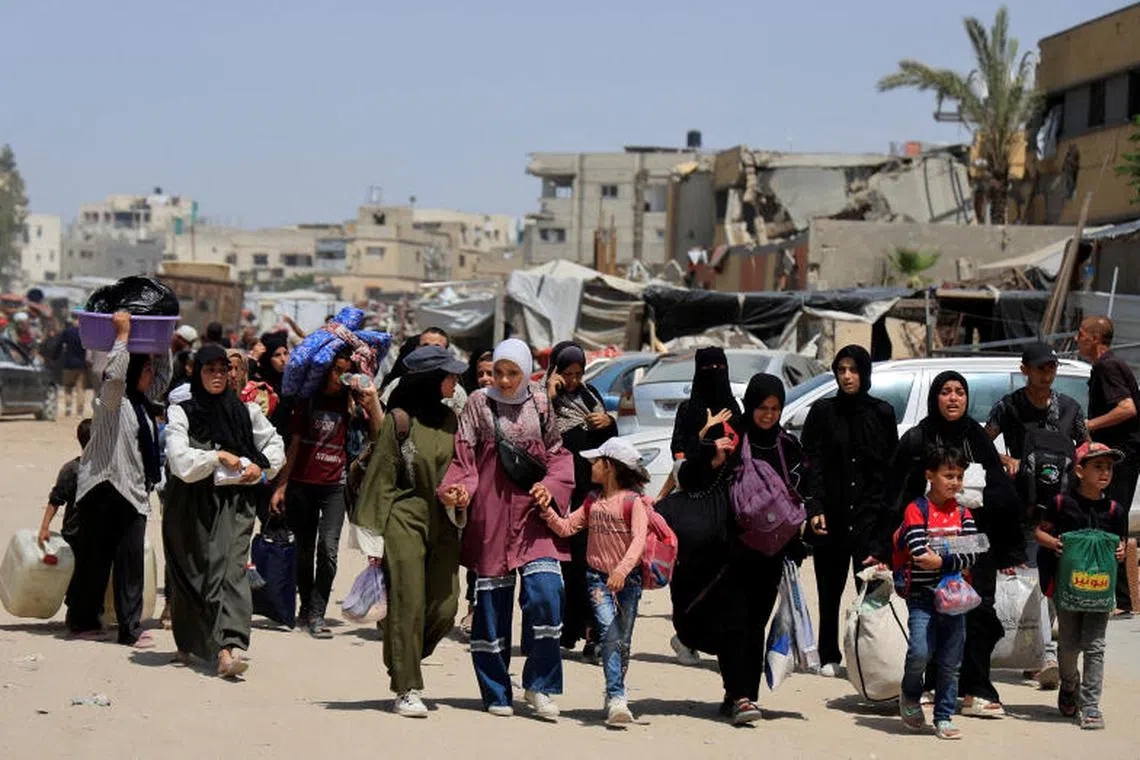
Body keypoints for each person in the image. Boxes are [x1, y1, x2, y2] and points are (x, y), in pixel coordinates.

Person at [438, 338, 575, 718]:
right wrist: (460, 491)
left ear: (527, 371)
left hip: (534, 515)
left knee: (547, 595)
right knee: (491, 608)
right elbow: (464, 459)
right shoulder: (478, 403)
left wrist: (551, 487)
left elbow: (558, 454)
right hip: (493, 514)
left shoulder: (541, 402)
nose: (503, 380)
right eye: (498, 372)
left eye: (512, 372)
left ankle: (540, 686)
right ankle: (496, 690)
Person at [891, 371, 1024, 718]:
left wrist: (1009, 549)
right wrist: (882, 549)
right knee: (933, 615)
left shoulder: (977, 438)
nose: (953, 398)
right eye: (946, 391)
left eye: (960, 392)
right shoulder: (917, 438)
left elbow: (1001, 493)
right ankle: (930, 686)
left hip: (974, 545)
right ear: (935, 396)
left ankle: (975, 690)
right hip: (927, 545)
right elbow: (895, 494)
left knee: (978, 613)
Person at [353, 346, 468, 717]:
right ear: (431, 379)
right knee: (407, 602)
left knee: (446, 606)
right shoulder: (399, 420)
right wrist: (373, 544)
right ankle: (406, 687)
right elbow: (381, 480)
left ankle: (405, 656)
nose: (456, 380)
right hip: (404, 517)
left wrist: (461, 495)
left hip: (444, 520)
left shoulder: (453, 420)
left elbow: (465, 468)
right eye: (449, 375)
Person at [163, 345, 285, 677]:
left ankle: (228, 648)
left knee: (230, 570)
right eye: (210, 370)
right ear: (197, 373)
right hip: (190, 503)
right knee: (193, 574)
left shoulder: (246, 412)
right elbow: (180, 461)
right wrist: (215, 457)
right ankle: (191, 641)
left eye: (223, 369)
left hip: (235, 502)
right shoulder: (182, 413)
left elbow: (274, 445)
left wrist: (260, 467)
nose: (218, 376)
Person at [985, 341, 1088, 689]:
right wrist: (1006, 460)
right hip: (1025, 509)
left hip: (1064, 509)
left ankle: (1039, 652)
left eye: (1052, 367)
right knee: (1032, 578)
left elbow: (1086, 447)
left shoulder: (1070, 408)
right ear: (1024, 370)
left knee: (1054, 581)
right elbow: (983, 443)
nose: (1047, 374)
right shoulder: (1009, 407)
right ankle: (1045, 655)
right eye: (1041, 368)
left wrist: (1081, 471)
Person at [65, 312, 170, 647]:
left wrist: (161, 341)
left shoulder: (143, 405)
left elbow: (162, 377)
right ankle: (83, 621)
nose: (151, 374)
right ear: (134, 371)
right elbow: (114, 374)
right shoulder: (113, 400)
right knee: (94, 561)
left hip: (132, 491)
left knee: (130, 563)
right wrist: (122, 337)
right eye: (146, 368)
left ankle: (129, 628)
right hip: (104, 488)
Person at [270, 346, 383, 638]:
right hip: (302, 485)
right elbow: (294, 446)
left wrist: (370, 404)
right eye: (336, 370)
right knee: (304, 551)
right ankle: (306, 606)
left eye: (345, 372)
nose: (339, 377)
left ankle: (318, 612)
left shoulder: (353, 405)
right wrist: (282, 485)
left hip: (336, 486)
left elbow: (378, 435)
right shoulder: (308, 401)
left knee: (328, 551)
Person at [536, 438, 650, 727]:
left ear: (610, 466)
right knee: (609, 635)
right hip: (598, 580)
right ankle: (618, 698)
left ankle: (614, 692)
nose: (591, 466)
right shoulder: (592, 501)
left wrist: (622, 571)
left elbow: (638, 542)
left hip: (628, 582)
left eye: (596, 461)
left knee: (623, 641)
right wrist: (547, 510)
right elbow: (566, 527)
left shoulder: (633, 502)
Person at [802, 345, 898, 677]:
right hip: (831, 515)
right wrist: (814, 505)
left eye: (853, 370)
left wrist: (887, 521)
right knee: (829, 591)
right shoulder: (822, 412)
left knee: (870, 594)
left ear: (865, 373)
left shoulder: (882, 413)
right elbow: (810, 463)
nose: (847, 376)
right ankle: (828, 653)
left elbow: (890, 470)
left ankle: (868, 657)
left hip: (869, 519)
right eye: (841, 370)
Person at [1035, 441, 1128, 730]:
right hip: (1068, 589)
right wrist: (1054, 543)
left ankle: (1090, 706)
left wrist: (1121, 551)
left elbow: (1122, 543)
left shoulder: (1115, 510)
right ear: (1079, 471)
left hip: (1100, 590)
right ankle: (1069, 684)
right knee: (1068, 645)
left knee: (1095, 646)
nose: (1105, 472)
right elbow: (1039, 532)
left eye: (1109, 467)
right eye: (1097, 466)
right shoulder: (1061, 504)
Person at [661, 347, 742, 669]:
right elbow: (679, 456)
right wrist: (705, 438)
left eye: (719, 366)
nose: (714, 373)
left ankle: (722, 642)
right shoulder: (689, 410)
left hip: (726, 505)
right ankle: (685, 637)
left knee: (724, 578)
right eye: (708, 367)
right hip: (694, 506)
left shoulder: (734, 410)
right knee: (689, 578)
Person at [897, 446, 981, 741]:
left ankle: (943, 716)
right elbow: (919, 552)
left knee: (951, 662)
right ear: (930, 475)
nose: (955, 482)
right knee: (919, 652)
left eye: (959, 476)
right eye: (948, 475)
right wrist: (953, 552)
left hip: (955, 598)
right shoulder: (916, 509)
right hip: (922, 596)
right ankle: (910, 695)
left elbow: (973, 553)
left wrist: (942, 558)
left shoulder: (964, 513)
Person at [546, 341, 616, 658]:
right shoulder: (543, 398)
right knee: (568, 567)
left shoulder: (591, 397)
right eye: (568, 374)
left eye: (578, 374)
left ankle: (592, 632)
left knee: (592, 563)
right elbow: (537, 430)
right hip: (561, 493)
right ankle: (568, 629)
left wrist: (609, 423)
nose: (573, 380)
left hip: (592, 492)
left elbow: (610, 446)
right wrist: (550, 395)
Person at [1076, 316, 1140, 616]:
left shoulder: (1107, 366)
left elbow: (1127, 408)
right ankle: (1119, 597)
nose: (1077, 339)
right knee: (1112, 518)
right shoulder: (1108, 365)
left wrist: (1090, 425)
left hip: (1121, 456)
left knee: (1112, 518)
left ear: (1094, 338)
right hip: (1119, 455)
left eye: (1080, 334)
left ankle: (1121, 600)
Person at [458, 349, 494, 637]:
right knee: (477, 556)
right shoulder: (470, 405)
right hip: (476, 491)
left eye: (491, 373)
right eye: (480, 373)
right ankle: (473, 610)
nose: (485, 378)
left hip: (505, 493)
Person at [380, 328, 468, 414]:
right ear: (417, 349)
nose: (429, 351)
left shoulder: (455, 392)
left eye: (437, 347)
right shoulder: (398, 383)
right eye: (425, 346)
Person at [37, 418, 93, 549]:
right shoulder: (73, 470)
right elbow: (56, 499)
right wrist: (44, 528)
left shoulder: (109, 468)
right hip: (75, 536)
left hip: (99, 536)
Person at [58, 320, 89, 417]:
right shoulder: (86, 332)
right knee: (80, 389)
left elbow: (59, 345)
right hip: (82, 365)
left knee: (68, 388)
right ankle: (79, 412)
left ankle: (68, 409)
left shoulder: (67, 332)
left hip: (68, 364)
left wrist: (54, 357)